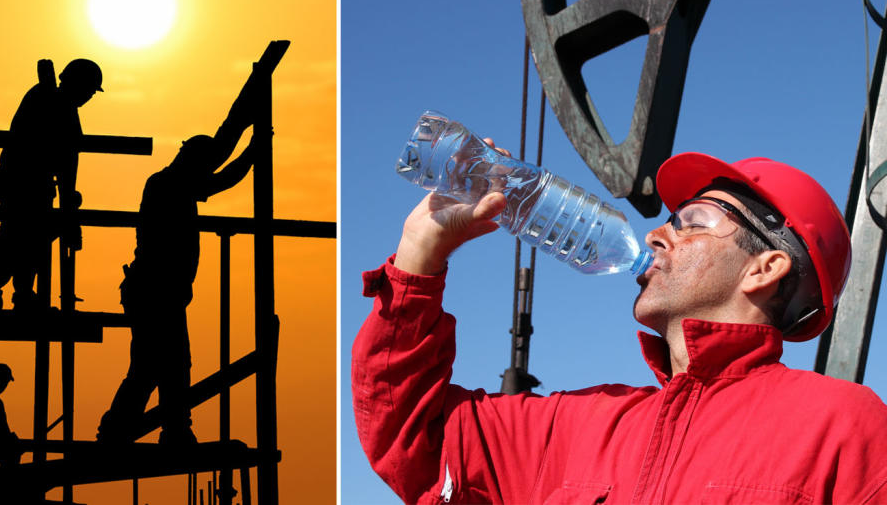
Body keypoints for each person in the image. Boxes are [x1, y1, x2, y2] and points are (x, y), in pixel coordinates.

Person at [352, 149, 887, 503]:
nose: (657, 235)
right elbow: (413, 442)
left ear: (764, 269)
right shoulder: (573, 426)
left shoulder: (841, 426)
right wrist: (420, 253)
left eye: (692, 222)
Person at [96, 84, 266, 446]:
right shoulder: (167, 185)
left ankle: (160, 429)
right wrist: (252, 150)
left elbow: (219, 170)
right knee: (157, 366)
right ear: (192, 164)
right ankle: (135, 431)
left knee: (162, 365)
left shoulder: (176, 184)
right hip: (153, 292)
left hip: (161, 293)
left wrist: (248, 142)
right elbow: (222, 178)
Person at [0, 59, 103, 311]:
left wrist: (68, 205)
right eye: (89, 90)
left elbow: (68, 159)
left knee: (32, 244)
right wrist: (68, 209)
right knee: (15, 245)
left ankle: (17, 295)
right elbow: (64, 158)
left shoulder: (57, 102)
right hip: (23, 185)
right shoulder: (50, 101)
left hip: (33, 184)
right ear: (77, 84)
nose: (89, 97)